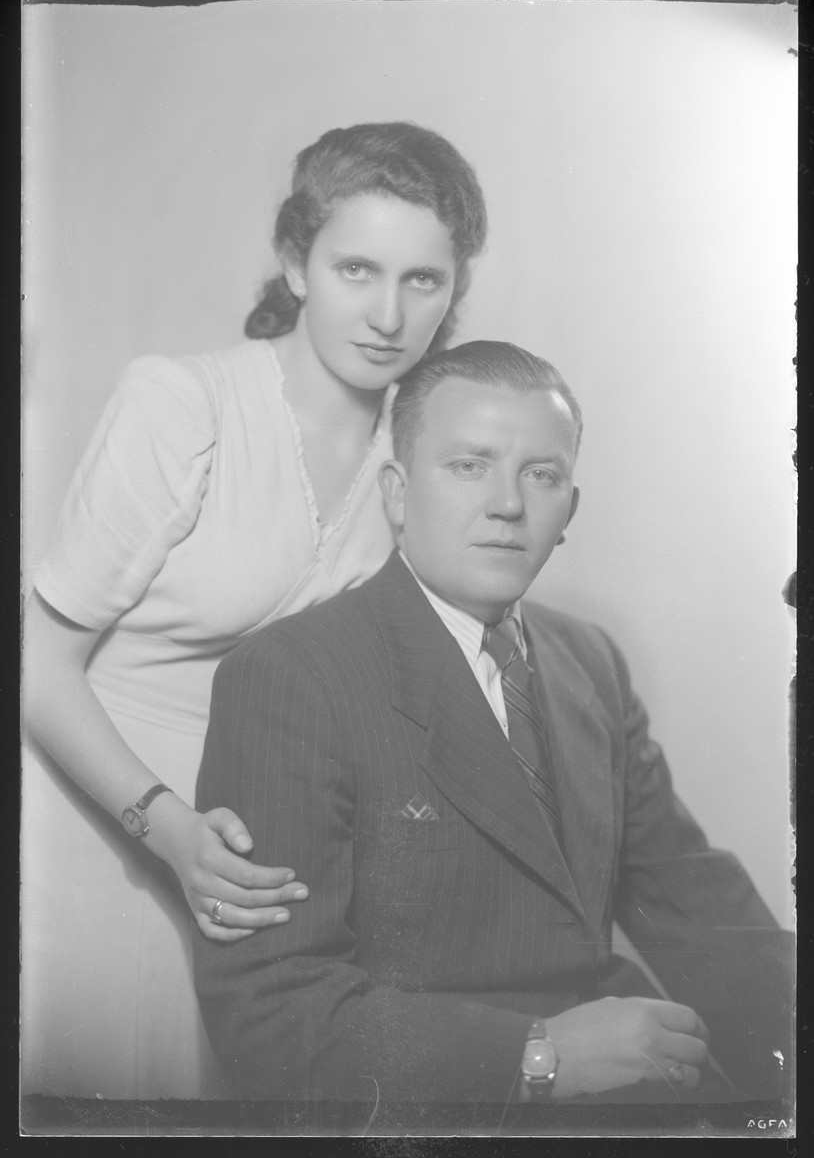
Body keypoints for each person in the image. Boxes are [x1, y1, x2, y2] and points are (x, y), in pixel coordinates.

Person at [193, 341, 792, 1115]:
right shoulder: (294, 675)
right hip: (451, 1110)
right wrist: (538, 1055)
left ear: (568, 511)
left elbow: (703, 916)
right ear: (398, 494)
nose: (508, 504)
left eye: (541, 476)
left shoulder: (588, 660)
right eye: (469, 465)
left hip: (639, 1085)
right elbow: (273, 1017)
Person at [22, 122, 487, 1100]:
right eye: (356, 268)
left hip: (261, 868)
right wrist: (167, 829)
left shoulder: (414, 453)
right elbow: (35, 660)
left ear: (454, 292)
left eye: (423, 281)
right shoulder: (182, 402)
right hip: (89, 828)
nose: (388, 314)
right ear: (295, 261)